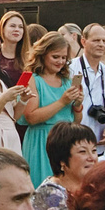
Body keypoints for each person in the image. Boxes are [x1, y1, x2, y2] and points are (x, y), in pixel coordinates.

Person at [30, 121, 102, 210]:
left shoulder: (91, 189)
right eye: (83, 152)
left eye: (94, 150)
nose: (92, 158)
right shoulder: (49, 195)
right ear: (62, 161)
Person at [18, 32, 79, 189]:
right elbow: (30, 117)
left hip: (65, 140)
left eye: (64, 58)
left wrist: (78, 104)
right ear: (43, 54)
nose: (60, 62)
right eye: (55, 57)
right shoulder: (29, 78)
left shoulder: (67, 80)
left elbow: (75, 121)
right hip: (41, 141)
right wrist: (62, 101)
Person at [69, 22, 105, 152]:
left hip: (99, 143)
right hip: (73, 139)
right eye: (96, 40)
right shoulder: (70, 68)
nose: (101, 44)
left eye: (104, 41)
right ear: (83, 41)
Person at [0, 9, 30, 85]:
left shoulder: (29, 56)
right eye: (12, 26)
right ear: (3, 28)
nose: (17, 30)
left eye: (20, 27)